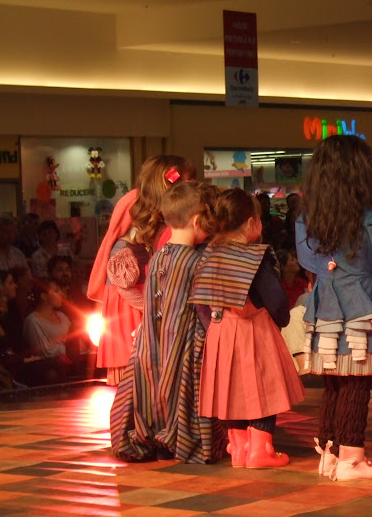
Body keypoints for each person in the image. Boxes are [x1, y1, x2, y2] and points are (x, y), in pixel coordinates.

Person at [296, 134, 372, 481]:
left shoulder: (307, 220)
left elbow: (310, 262)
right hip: (362, 308)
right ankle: (351, 459)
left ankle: (329, 454)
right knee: (357, 384)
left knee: (334, 384)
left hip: (323, 310)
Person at [110, 181, 226, 463]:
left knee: (152, 386)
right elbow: (203, 309)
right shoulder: (196, 261)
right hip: (184, 340)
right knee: (182, 389)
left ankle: (157, 436)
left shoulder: (157, 257)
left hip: (151, 341)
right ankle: (179, 439)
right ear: (198, 220)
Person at [193, 188, 304, 468]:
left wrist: (214, 328)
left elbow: (200, 303)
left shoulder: (208, 255)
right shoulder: (256, 256)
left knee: (232, 390)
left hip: (219, 330)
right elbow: (275, 299)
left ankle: (240, 449)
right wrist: (280, 320)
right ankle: (260, 451)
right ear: (252, 222)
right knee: (263, 388)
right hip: (254, 329)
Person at [87, 155, 196, 386]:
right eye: (186, 182)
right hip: (129, 294)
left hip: (142, 291)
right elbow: (122, 280)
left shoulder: (147, 203)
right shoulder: (135, 202)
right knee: (134, 371)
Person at [22, 278, 71, 384]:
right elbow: (45, 351)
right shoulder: (33, 321)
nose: (61, 294)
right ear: (44, 296)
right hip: (49, 366)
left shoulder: (62, 317)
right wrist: (68, 347)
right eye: (56, 291)